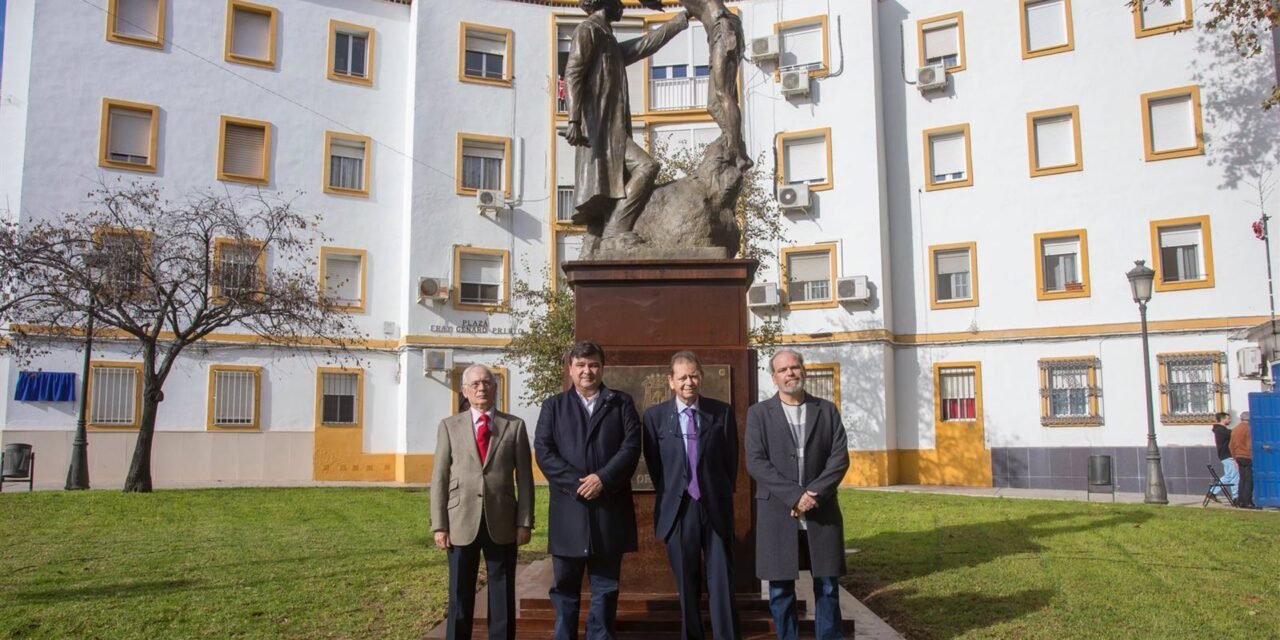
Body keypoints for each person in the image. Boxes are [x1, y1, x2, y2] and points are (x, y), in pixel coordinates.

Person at [534, 341, 643, 640]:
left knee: (606, 588)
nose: (587, 371)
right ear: (570, 369)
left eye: (593, 364)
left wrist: (603, 479)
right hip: (570, 511)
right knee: (565, 589)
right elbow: (544, 451)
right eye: (580, 365)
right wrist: (578, 484)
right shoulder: (553, 406)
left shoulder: (621, 403)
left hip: (609, 510)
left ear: (602, 367)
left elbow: (631, 447)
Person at [562, 0, 689, 250]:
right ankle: (615, 230)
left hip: (612, 129)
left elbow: (644, 45)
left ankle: (596, 241)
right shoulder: (588, 30)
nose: (622, 6)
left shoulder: (605, 36)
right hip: (600, 129)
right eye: (618, 2)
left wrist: (681, 19)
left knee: (608, 198)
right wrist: (574, 119)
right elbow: (573, 72)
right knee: (646, 166)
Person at [745, 349, 850, 640]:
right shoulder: (758, 414)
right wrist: (795, 496)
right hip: (779, 512)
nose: (790, 373)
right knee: (780, 590)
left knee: (827, 586)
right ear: (774, 377)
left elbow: (839, 458)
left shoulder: (826, 410)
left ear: (803, 371)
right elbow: (756, 462)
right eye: (783, 370)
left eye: (795, 367)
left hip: (822, 511)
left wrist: (813, 495)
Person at [431, 364, 535, 640]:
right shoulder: (449, 427)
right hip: (460, 522)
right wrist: (439, 526)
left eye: (487, 382)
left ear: (495, 387)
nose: (481, 388)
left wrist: (524, 522)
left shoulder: (514, 426)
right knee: (459, 596)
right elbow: (439, 478)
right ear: (464, 390)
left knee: (501, 596)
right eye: (475, 384)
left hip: (502, 522)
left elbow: (525, 479)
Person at [642, 351, 740, 640]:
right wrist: (676, 491)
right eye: (682, 377)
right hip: (678, 510)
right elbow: (656, 467)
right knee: (687, 584)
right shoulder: (654, 417)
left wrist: (714, 490)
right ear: (670, 381)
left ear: (702, 377)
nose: (689, 382)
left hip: (714, 508)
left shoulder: (721, 413)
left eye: (694, 375)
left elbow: (730, 462)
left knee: (721, 584)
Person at [1230, 411, 1256, 509]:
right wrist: (1253, 456)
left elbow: (1230, 445)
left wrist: (1234, 458)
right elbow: (1250, 445)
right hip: (1247, 456)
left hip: (1238, 456)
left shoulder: (1235, 429)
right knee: (1249, 480)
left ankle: (1240, 501)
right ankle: (1248, 502)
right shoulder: (1249, 429)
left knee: (1242, 479)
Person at [1211, 411, 1237, 502]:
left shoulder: (1222, 430)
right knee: (1235, 475)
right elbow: (1232, 434)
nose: (1230, 420)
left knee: (1229, 476)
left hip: (1225, 455)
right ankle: (1235, 496)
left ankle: (1212, 492)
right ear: (1223, 419)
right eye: (1228, 418)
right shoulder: (1221, 430)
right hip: (1227, 455)